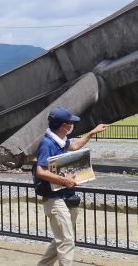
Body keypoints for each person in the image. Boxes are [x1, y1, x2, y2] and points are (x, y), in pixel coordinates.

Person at [35, 106, 107, 266]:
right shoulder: (47, 144)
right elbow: (40, 171)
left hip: (65, 196)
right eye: (70, 123)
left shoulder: (60, 141)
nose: (71, 126)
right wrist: (64, 181)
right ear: (63, 126)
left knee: (61, 239)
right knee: (66, 241)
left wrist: (91, 133)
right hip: (54, 198)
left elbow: (73, 147)